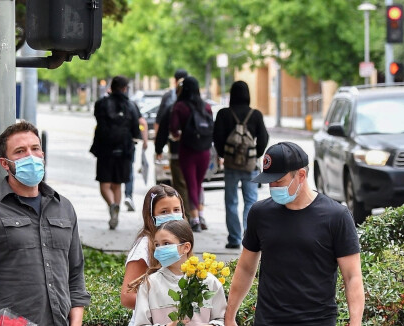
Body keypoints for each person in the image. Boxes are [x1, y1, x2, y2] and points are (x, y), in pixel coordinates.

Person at [0, 120, 90, 326]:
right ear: (4, 163)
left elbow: (75, 273)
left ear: (43, 155)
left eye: (35, 148)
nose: (30, 155)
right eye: (19, 151)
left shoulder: (64, 207)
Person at [224, 142, 364, 326]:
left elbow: (352, 276)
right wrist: (229, 316)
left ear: (301, 175)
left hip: (317, 321)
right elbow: (245, 268)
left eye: (278, 181)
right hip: (268, 320)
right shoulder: (260, 213)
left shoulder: (336, 216)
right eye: (269, 181)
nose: (273, 187)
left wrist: (355, 323)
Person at [132, 219, 227, 326]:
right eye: (157, 245)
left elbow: (222, 319)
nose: (160, 249)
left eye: (166, 243)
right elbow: (140, 323)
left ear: (186, 247)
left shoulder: (209, 281)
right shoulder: (149, 284)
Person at [213, 81, 269, 249]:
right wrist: (256, 155)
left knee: (231, 202)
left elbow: (217, 137)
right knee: (251, 201)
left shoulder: (224, 114)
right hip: (250, 166)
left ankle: (234, 239)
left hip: (231, 165)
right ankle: (248, 237)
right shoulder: (255, 114)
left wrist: (224, 155)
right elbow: (264, 138)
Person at [121, 184, 187, 325]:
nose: (171, 215)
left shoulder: (183, 243)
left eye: (176, 210)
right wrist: (164, 308)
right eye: (164, 212)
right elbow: (127, 297)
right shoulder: (145, 246)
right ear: (151, 215)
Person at [90, 76, 147, 229]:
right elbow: (136, 130)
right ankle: (116, 209)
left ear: (112, 87)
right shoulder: (131, 105)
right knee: (117, 184)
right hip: (125, 150)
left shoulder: (101, 104)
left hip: (105, 149)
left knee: (104, 184)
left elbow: (98, 121)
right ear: (124, 88)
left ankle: (112, 205)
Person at [170, 76, 214, 232]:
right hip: (204, 150)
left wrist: (179, 135)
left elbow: (174, 128)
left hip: (187, 150)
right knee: (199, 183)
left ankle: (195, 219)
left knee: (190, 184)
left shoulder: (180, 107)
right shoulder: (206, 106)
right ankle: (201, 215)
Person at [154, 69, 191, 221]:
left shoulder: (172, 104)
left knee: (181, 185)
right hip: (199, 152)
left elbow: (162, 126)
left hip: (178, 151)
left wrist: (158, 148)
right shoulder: (201, 106)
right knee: (195, 185)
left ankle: (186, 216)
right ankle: (197, 215)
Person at [154, 69, 189, 135]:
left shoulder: (168, 96)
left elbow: (159, 119)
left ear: (175, 80)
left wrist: (157, 138)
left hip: (173, 136)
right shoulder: (194, 98)